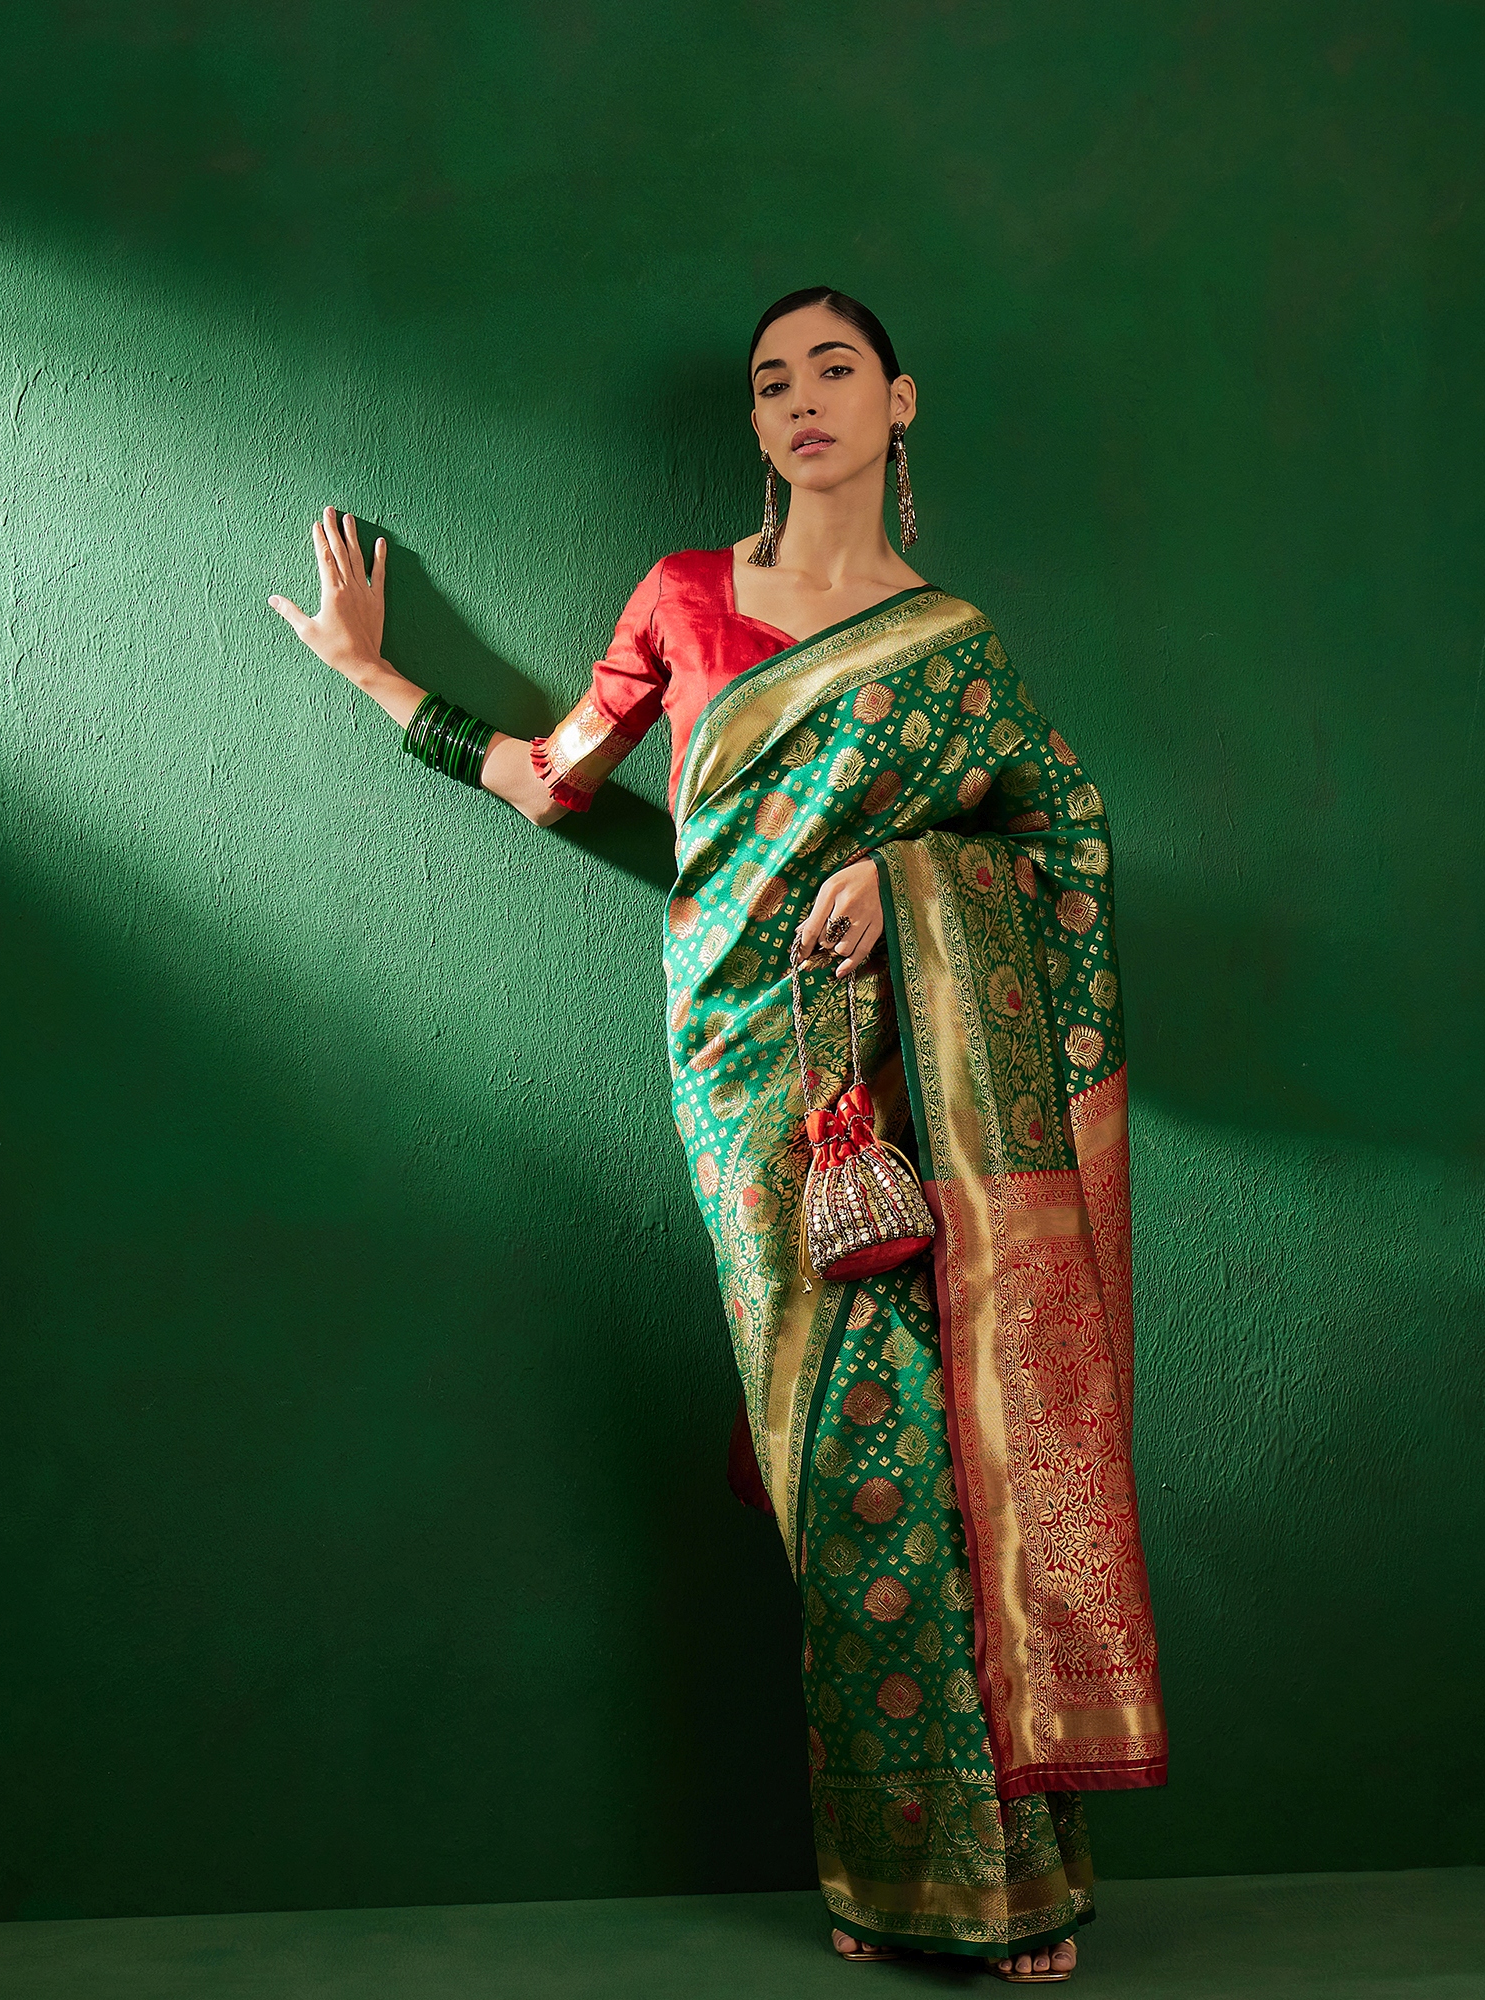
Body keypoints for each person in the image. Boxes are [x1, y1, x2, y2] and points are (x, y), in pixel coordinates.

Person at [269, 287, 1167, 1975]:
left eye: (835, 370)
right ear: (755, 426)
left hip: (915, 1079)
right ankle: (906, 1881)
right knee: (835, 1468)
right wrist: (370, 669)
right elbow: (556, 778)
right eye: (773, 382)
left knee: (953, 1450)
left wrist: (905, 877)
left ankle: (1006, 1878)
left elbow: (1063, 841)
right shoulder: (683, 599)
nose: (802, 399)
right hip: (748, 1076)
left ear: (899, 401)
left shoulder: (954, 648)